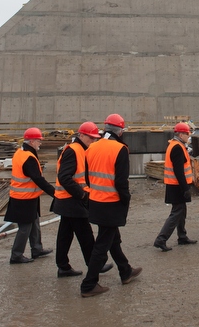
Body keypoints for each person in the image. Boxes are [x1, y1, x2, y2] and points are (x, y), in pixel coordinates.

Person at [80, 114, 142, 297]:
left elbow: (86, 177)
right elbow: (121, 182)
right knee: (103, 244)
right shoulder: (120, 149)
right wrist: (126, 200)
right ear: (120, 131)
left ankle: (125, 271)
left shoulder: (91, 147)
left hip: (96, 201)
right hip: (111, 203)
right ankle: (89, 284)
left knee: (112, 238)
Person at [51, 122, 113, 277]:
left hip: (67, 200)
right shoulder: (74, 151)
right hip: (72, 200)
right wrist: (82, 194)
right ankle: (95, 265)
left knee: (65, 235)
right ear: (82, 135)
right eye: (90, 138)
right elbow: (64, 177)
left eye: (94, 139)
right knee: (85, 234)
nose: (92, 141)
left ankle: (63, 266)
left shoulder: (79, 149)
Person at [5, 127, 56, 264]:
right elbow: (38, 179)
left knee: (34, 223)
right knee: (25, 227)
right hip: (24, 198)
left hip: (25, 196)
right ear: (32, 141)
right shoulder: (29, 157)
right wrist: (54, 193)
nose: (40, 143)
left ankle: (37, 249)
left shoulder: (20, 152)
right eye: (39, 141)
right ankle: (16, 255)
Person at [154, 122, 197, 251]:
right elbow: (179, 171)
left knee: (181, 211)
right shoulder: (177, 147)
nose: (188, 137)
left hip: (174, 185)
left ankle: (182, 236)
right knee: (176, 213)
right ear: (181, 134)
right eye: (187, 134)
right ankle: (161, 239)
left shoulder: (175, 145)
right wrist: (185, 188)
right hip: (177, 186)